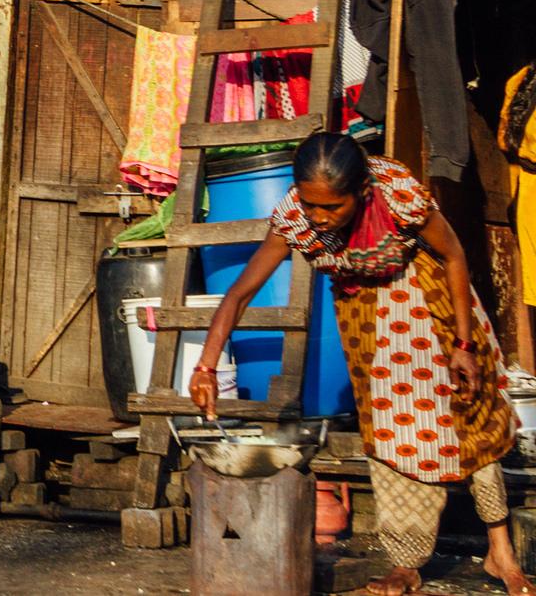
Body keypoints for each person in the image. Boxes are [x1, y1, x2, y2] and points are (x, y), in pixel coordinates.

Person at [190, 134, 531, 596]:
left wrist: (464, 343)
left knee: (470, 415)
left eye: (333, 208)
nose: (319, 217)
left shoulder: (399, 195)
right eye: (312, 204)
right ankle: (405, 563)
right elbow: (241, 292)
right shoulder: (295, 218)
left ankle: (500, 551)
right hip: (366, 319)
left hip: (430, 298)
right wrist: (206, 367)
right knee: (392, 432)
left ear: (363, 193)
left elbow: (453, 255)